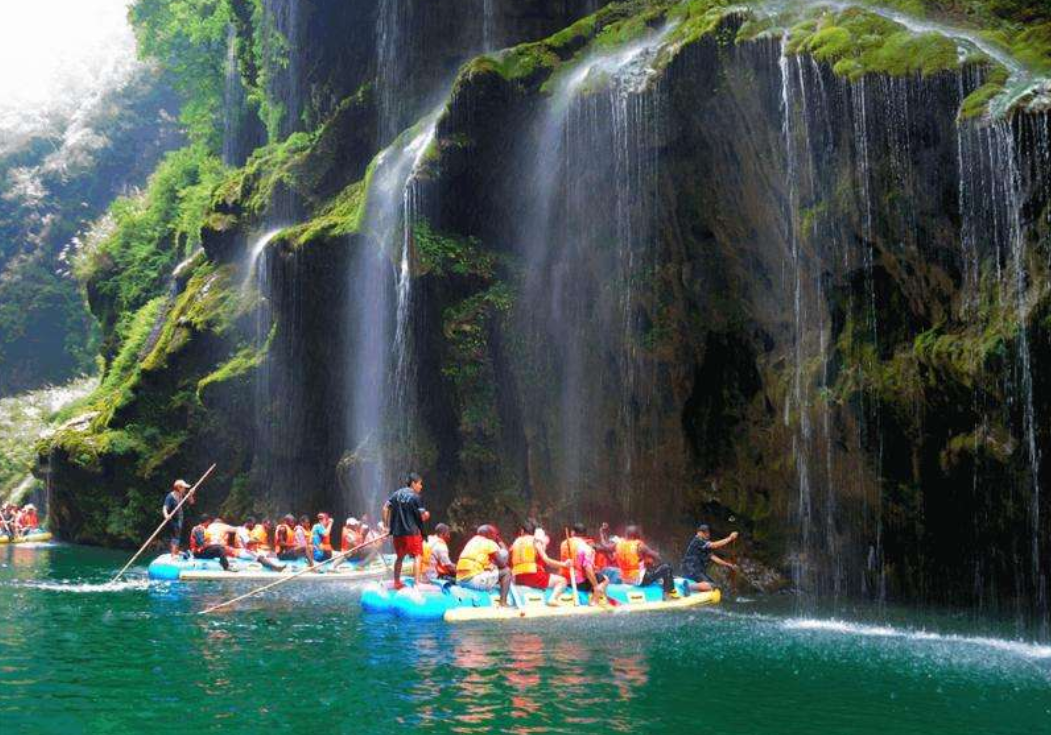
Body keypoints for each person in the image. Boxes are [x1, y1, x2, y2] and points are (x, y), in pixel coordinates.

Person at [382, 472, 430, 589]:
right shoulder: (415, 497)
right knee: (418, 556)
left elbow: (385, 508)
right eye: (419, 484)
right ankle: (417, 584)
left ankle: (396, 582)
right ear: (413, 483)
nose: (421, 487)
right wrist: (427, 514)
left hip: (397, 533)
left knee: (400, 557)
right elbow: (422, 517)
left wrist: (386, 526)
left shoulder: (396, 494)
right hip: (412, 533)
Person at [510, 521, 569, 605]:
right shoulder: (536, 542)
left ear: (522, 531)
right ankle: (552, 599)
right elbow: (547, 560)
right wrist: (564, 564)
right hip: (532, 576)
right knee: (562, 580)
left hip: (517, 578)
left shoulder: (515, 543)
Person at [615, 524, 675, 600]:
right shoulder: (640, 546)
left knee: (648, 563)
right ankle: (667, 594)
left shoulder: (618, 545)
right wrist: (650, 559)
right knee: (666, 567)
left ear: (627, 535)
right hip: (639, 580)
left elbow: (604, 547)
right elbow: (657, 557)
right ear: (635, 535)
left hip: (625, 579)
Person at [456, 525, 511, 606]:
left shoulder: (472, 541)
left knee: (491, 570)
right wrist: (500, 543)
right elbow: (503, 564)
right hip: (472, 581)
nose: (496, 537)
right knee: (507, 572)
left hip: (460, 581)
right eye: (495, 535)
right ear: (490, 534)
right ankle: (503, 603)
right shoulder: (489, 543)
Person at [561, 522, 609, 605]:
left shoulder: (563, 544)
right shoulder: (585, 547)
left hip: (565, 581)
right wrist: (595, 586)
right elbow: (588, 570)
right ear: (585, 534)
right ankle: (594, 600)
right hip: (579, 584)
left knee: (595, 574)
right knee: (605, 579)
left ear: (572, 532)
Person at [681, 524, 738, 592]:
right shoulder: (698, 540)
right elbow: (714, 545)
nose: (708, 535)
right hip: (691, 569)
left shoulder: (704, 545)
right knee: (711, 586)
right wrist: (730, 538)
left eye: (708, 533)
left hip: (697, 570)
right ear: (700, 533)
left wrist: (729, 565)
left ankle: (693, 587)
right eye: (706, 533)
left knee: (714, 585)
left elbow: (714, 558)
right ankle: (687, 586)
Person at [162, 479, 194, 556]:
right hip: (173, 520)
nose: (185, 489)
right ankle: (173, 555)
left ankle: (176, 552)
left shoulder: (181, 495)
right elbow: (164, 507)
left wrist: (190, 495)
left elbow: (191, 502)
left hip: (180, 519)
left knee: (178, 536)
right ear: (179, 488)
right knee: (175, 536)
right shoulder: (170, 496)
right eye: (183, 488)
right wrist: (166, 515)